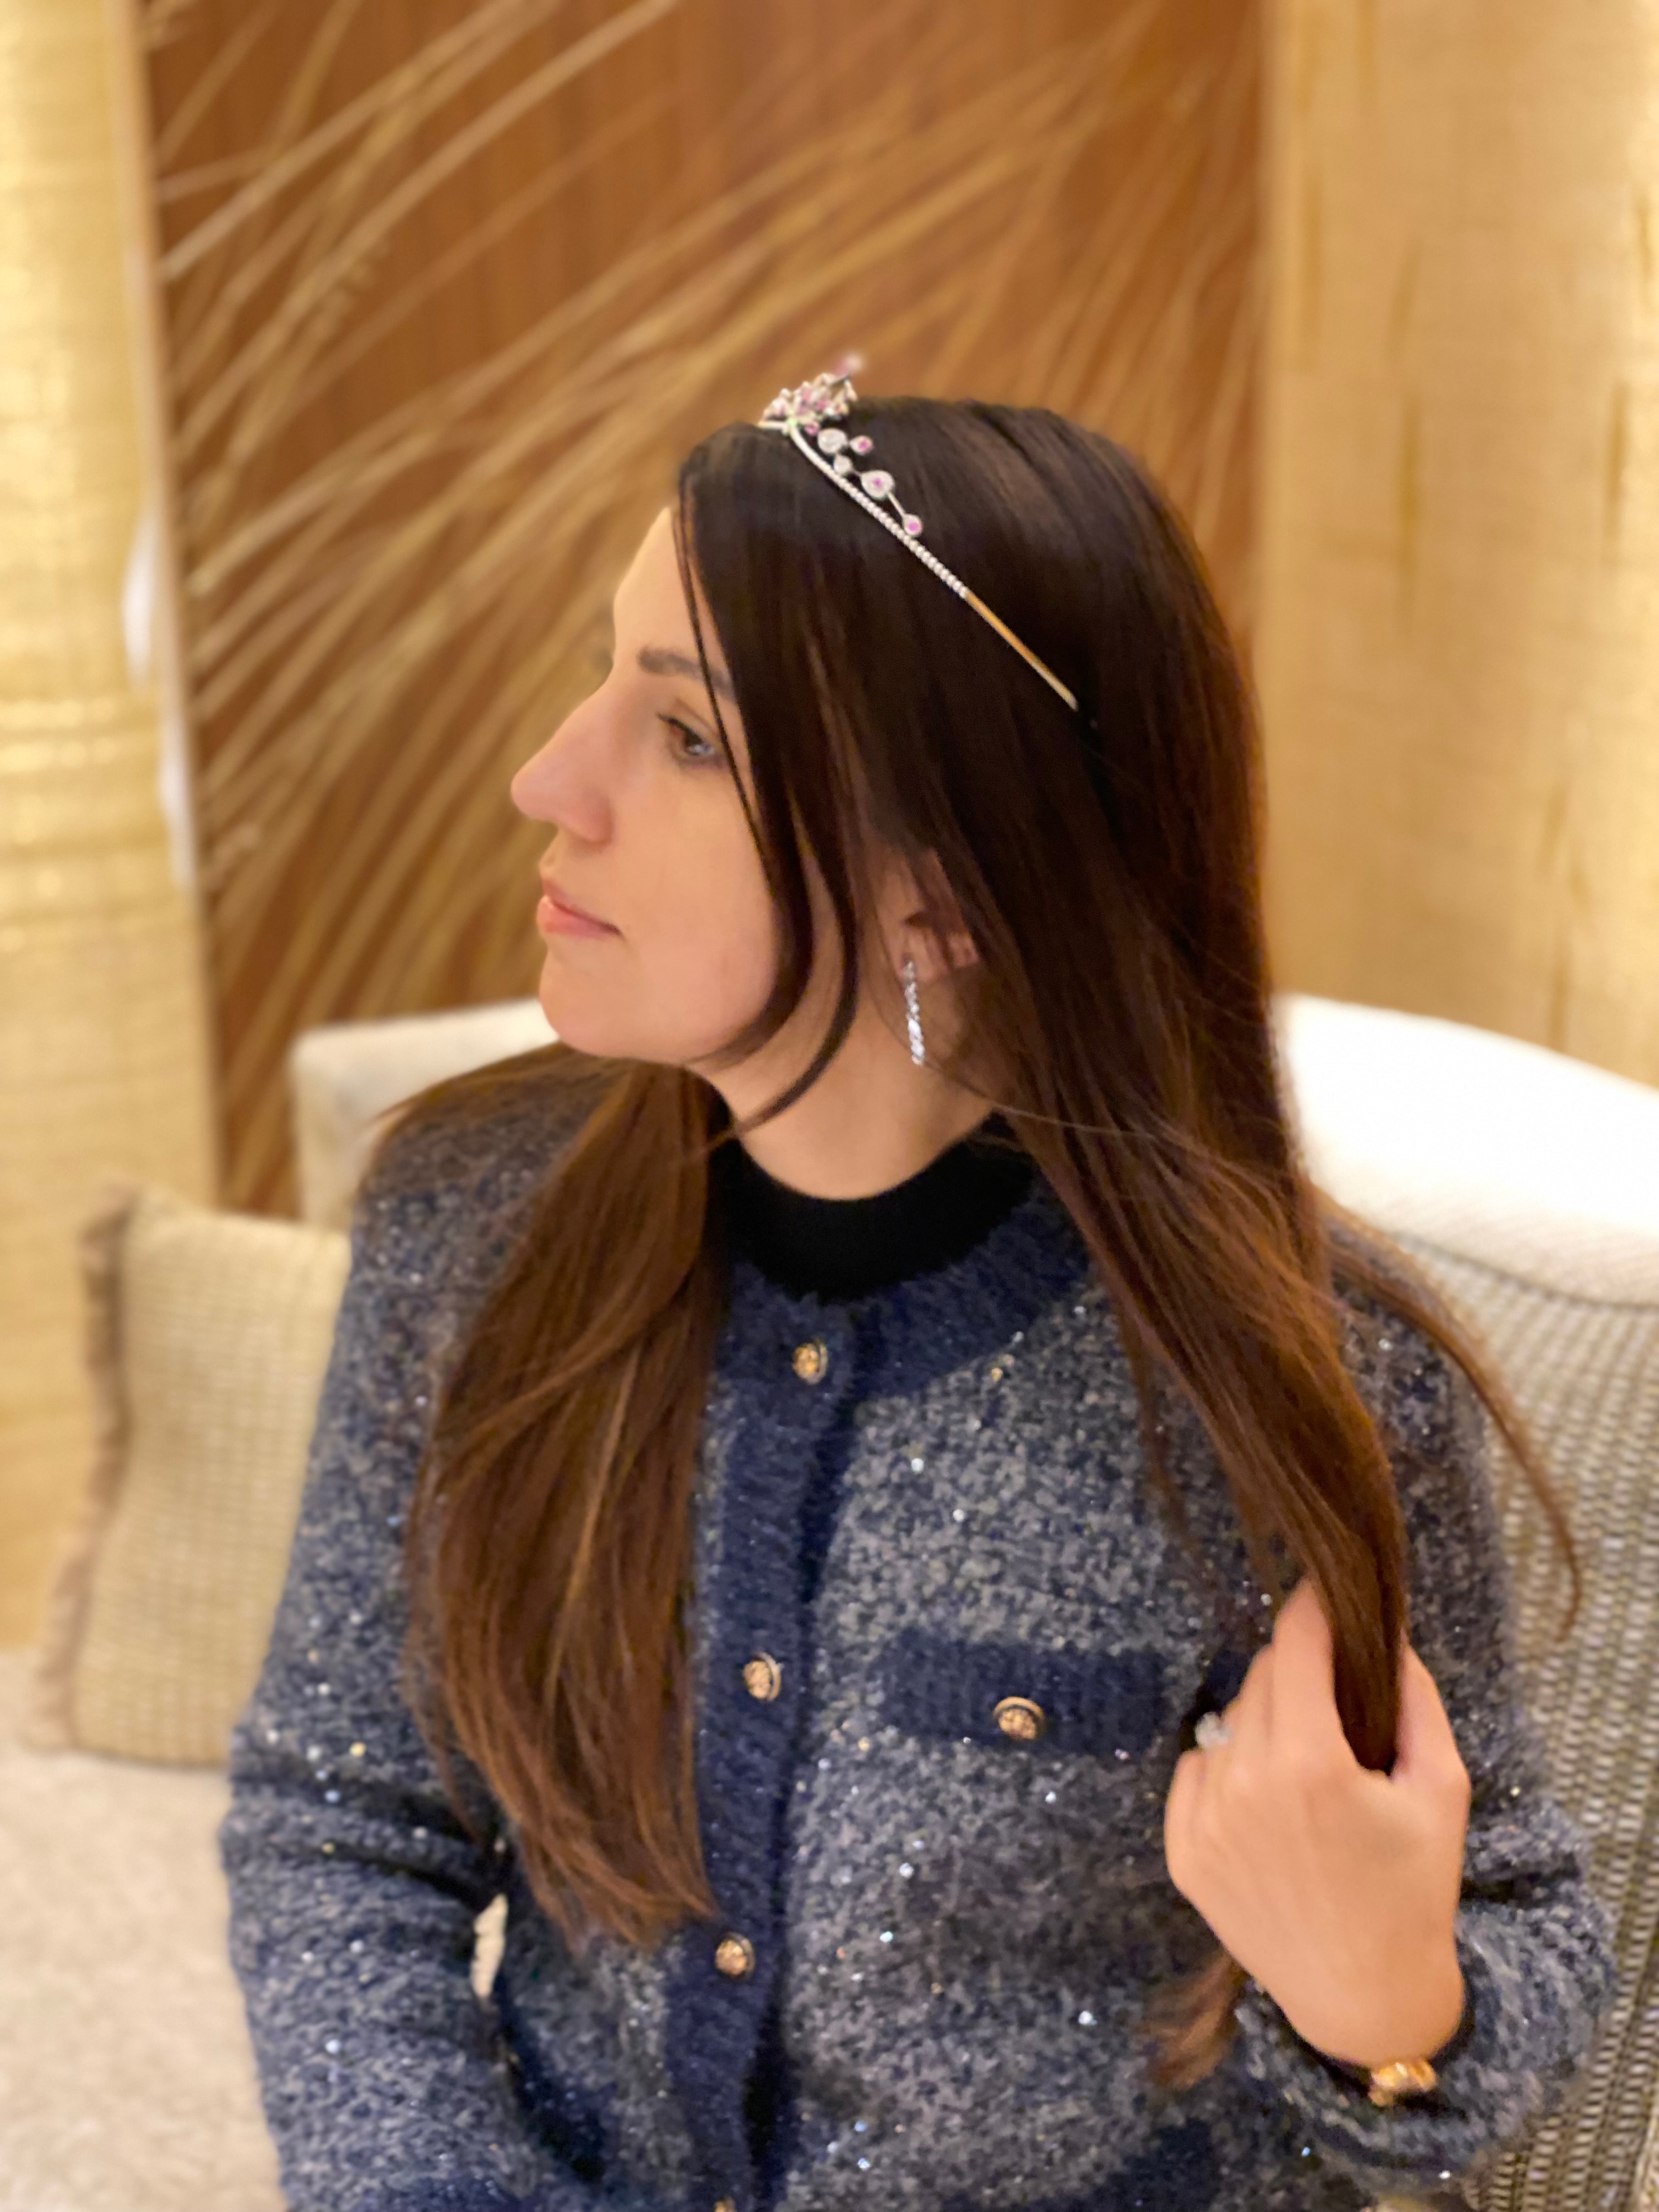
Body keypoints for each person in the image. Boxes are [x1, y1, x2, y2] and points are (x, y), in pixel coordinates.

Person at [220, 372, 1617, 2212]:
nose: (548, 779)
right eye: (601, 677)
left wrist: (1384, 1999)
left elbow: (1517, 1936)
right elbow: (344, 1822)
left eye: (687, 735)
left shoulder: (1296, 1383)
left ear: (942, 895)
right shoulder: (466, 1225)